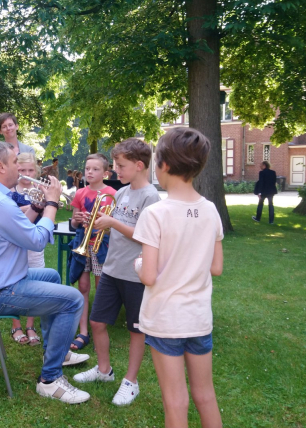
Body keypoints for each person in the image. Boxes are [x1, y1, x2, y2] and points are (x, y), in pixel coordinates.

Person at [0, 141, 91, 404]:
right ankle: (50, 379)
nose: (18, 168)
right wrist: (52, 203)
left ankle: (54, 352)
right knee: (73, 299)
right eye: (13, 163)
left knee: (53, 277)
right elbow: (36, 240)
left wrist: (38, 205)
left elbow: (16, 223)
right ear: (0, 167)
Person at [133, 127, 224, 428]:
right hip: (199, 319)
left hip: (166, 320)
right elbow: (216, 268)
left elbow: (148, 276)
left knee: (175, 400)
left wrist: (138, 264)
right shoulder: (211, 210)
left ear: (165, 165)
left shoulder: (156, 214)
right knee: (206, 395)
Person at [73, 139, 160, 406]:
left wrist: (113, 222)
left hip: (135, 273)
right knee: (97, 323)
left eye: (120, 166)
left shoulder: (151, 197)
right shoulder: (120, 194)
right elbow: (114, 228)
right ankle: (104, 370)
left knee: (136, 330)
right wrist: (98, 224)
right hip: (111, 269)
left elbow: (147, 236)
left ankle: (131, 382)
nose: (116, 171)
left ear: (139, 165)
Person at [68, 153, 117, 351]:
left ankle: (99, 330)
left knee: (100, 287)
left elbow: (115, 226)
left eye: (95, 169)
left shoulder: (112, 193)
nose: (90, 172)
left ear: (105, 173)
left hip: (101, 245)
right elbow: (73, 222)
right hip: (84, 244)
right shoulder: (80, 193)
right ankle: (83, 332)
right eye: (87, 168)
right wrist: (78, 219)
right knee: (83, 286)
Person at [8, 152, 44, 346]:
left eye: (31, 170)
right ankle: (16, 325)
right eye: (22, 170)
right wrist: (33, 206)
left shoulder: (39, 188)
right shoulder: (10, 189)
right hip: (15, 243)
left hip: (35, 242)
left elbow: (47, 211)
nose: (26, 174)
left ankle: (30, 325)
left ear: (36, 171)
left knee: (35, 283)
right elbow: (9, 213)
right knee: (14, 283)